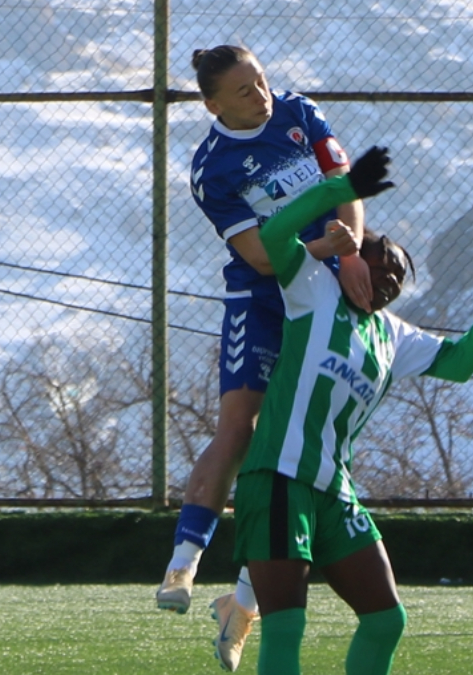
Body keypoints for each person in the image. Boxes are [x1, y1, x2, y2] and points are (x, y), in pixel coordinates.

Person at [234, 146, 473, 675]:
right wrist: (344, 190)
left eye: (399, 277)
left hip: (334, 491)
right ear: (351, 257)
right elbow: (275, 235)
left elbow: (460, 362)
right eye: (382, 261)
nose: (389, 277)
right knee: (287, 626)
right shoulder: (312, 288)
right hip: (278, 478)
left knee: (386, 620)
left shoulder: (391, 335)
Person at [157, 45, 372, 671]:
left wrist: (351, 252)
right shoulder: (213, 168)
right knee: (241, 427)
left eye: (262, 81)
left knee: (304, 447)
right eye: (245, 91)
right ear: (213, 105)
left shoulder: (300, 112)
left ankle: (243, 604)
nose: (262, 96)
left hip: (325, 291)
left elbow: (345, 187)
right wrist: (325, 245)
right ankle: (182, 563)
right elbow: (259, 256)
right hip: (265, 297)